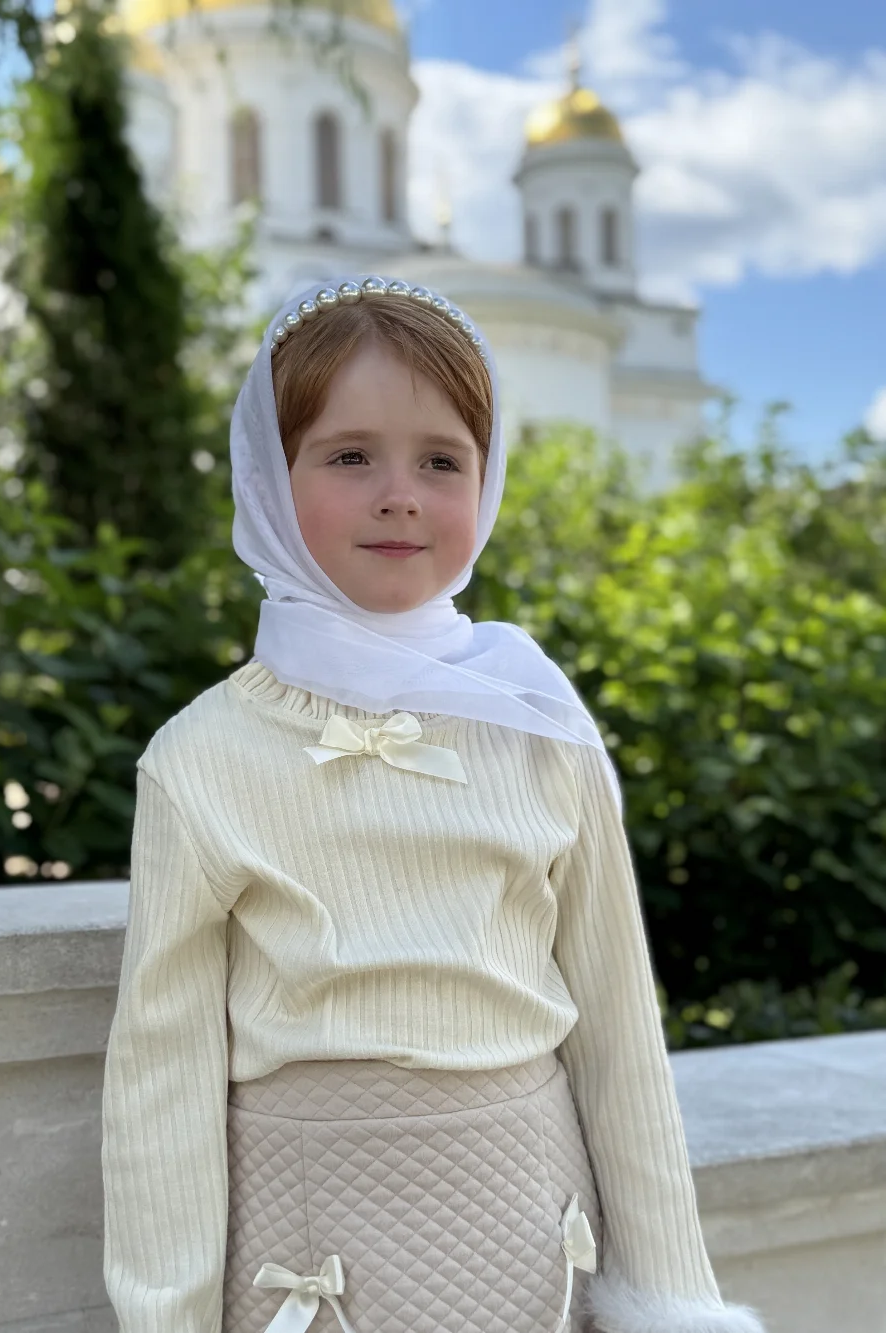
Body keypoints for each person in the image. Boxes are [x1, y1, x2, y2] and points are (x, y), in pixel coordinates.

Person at [101, 276, 767, 1333]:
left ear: (487, 480)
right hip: (309, 1268)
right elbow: (160, 1080)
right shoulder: (201, 759)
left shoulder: (538, 728)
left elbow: (619, 1038)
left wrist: (673, 1301)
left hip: (533, 1245)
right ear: (270, 478)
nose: (399, 494)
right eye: (348, 455)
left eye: (442, 461)